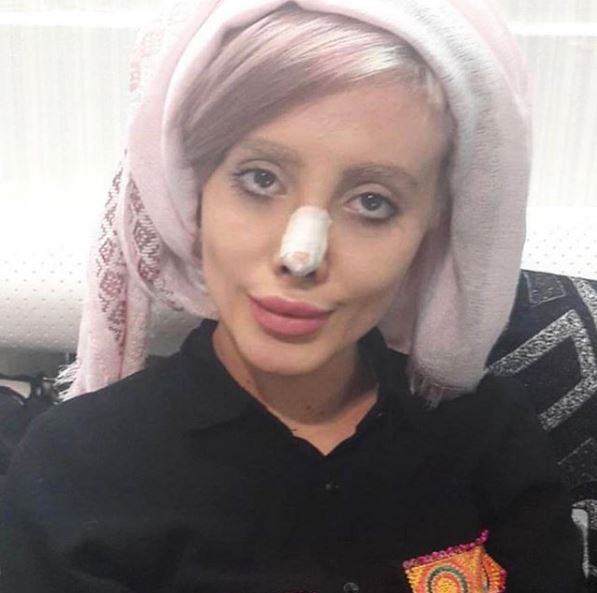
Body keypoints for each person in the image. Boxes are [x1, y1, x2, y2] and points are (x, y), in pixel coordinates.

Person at [0, 1, 586, 591]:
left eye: (372, 202)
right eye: (260, 179)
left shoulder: (487, 439)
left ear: (429, 231)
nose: (299, 256)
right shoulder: (78, 468)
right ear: (195, 195)